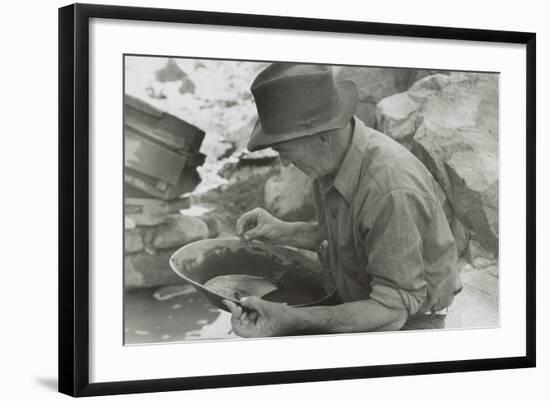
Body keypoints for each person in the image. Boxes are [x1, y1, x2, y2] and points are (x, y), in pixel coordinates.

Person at [223, 63, 462, 337]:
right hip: (362, 295)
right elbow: (345, 239)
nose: (285, 163)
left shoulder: (391, 190)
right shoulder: (329, 160)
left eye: (285, 151)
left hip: (409, 321)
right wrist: (282, 231)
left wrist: (292, 318)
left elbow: (392, 310)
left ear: (322, 137)